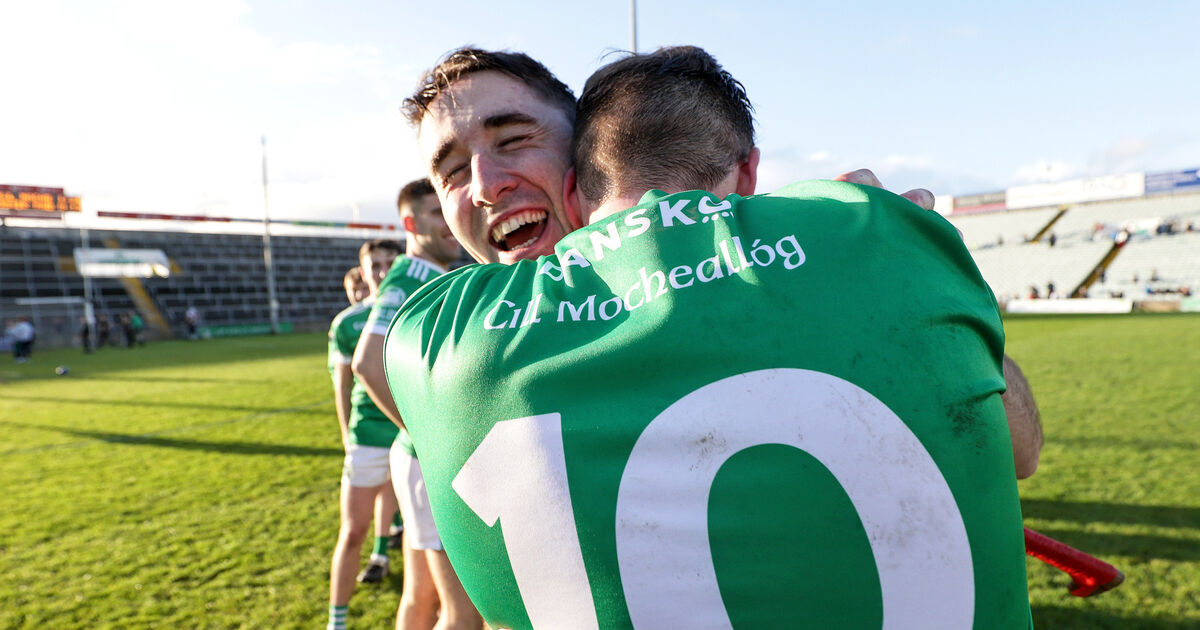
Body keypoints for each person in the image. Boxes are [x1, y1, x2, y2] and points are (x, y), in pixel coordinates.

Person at [384, 46, 1036, 628]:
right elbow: (1020, 449)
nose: (487, 185)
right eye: (450, 171)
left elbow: (369, 361)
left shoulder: (433, 335)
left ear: (581, 159)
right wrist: (886, 267)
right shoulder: (849, 242)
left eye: (514, 140)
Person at [350, 179, 479, 630]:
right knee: (467, 613)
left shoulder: (433, 275)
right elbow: (366, 362)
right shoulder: (413, 276)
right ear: (410, 223)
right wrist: (430, 436)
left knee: (421, 598)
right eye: (434, 215)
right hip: (430, 462)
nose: (448, 225)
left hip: (418, 461)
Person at [327, 239, 407, 630]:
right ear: (363, 269)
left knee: (421, 534)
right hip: (367, 436)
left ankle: (385, 559)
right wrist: (347, 436)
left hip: (410, 437)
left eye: (389, 263)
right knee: (352, 530)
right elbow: (342, 385)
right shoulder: (347, 323)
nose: (381, 271)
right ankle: (337, 620)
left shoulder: (416, 310)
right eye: (374, 264)